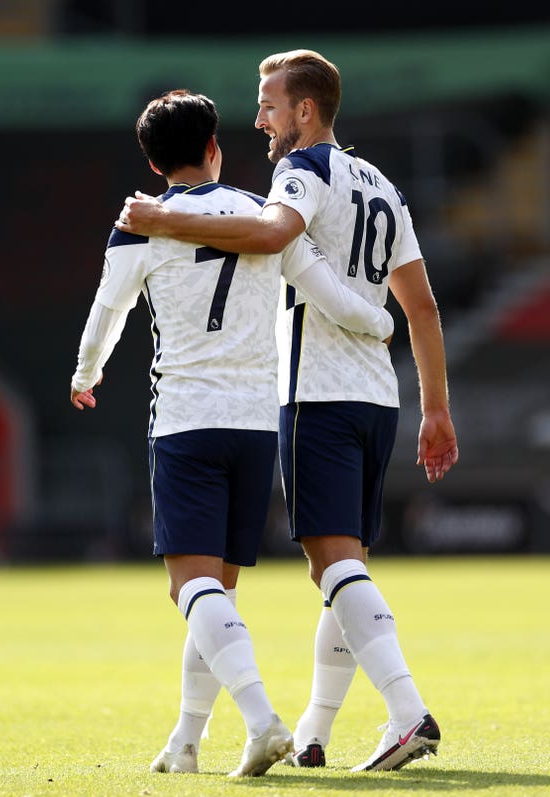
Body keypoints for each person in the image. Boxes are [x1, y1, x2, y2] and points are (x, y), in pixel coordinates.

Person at [116, 50, 459, 773]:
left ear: (306, 111)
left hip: (318, 394)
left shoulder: (302, 171)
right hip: (380, 400)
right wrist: (436, 408)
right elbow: (420, 304)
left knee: (331, 566)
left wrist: (162, 222)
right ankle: (312, 729)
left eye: (269, 104)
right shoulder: (384, 188)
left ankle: (407, 711)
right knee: (342, 570)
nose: (260, 118)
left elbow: (274, 236)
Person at [71, 88, 397, 778]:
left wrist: (85, 373)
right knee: (215, 590)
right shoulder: (260, 214)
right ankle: (186, 742)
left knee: (189, 587)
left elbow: (108, 310)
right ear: (214, 148)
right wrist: (381, 323)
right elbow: (332, 296)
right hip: (257, 427)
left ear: (155, 162)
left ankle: (261, 720)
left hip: (188, 420)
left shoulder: (143, 222)